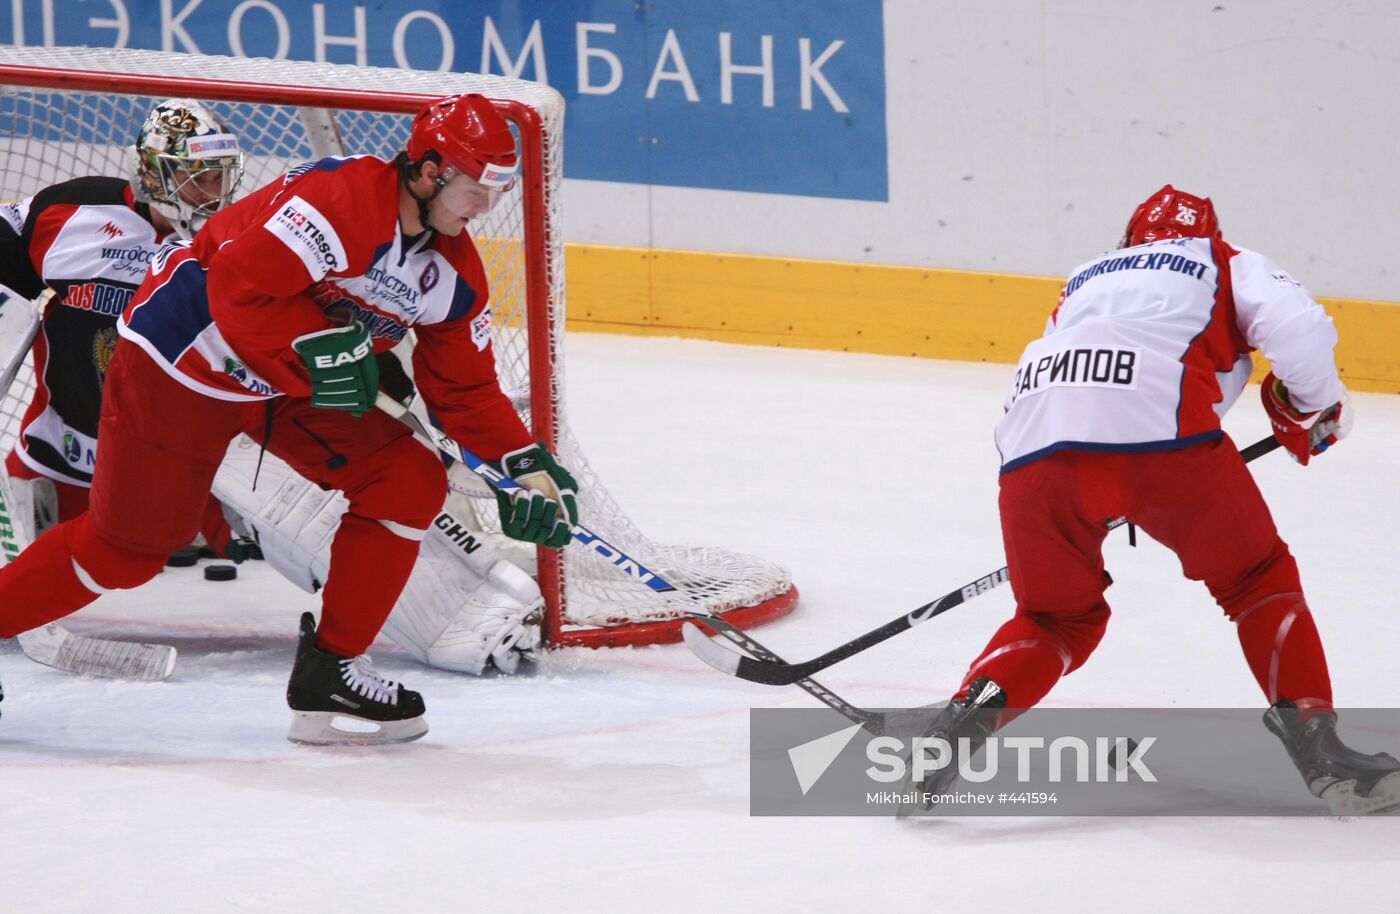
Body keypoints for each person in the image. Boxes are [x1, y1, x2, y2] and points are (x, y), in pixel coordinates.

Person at [0, 93, 579, 745]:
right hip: (182, 358)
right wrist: (315, 344)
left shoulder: (452, 276)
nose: (486, 205)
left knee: (408, 480)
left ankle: (331, 671)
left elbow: (466, 390)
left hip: (284, 382)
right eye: (476, 186)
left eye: (498, 189)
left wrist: (520, 464)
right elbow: (237, 286)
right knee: (125, 555)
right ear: (427, 171)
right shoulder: (338, 199)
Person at [910, 185, 1398, 815]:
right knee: (1257, 579)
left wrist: (1097, 485)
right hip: (1161, 439)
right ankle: (1318, 746)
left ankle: (961, 723)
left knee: (1055, 618)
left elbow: (1068, 388)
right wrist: (1311, 406)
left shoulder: (1085, 278)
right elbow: (1300, 329)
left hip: (1031, 451)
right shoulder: (1222, 260)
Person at [0, 98, 244, 553]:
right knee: (37, 568)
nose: (214, 192)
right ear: (157, 172)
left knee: (215, 546)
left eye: (221, 176)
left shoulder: (235, 241)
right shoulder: (75, 210)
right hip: (59, 451)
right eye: (199, 176)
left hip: (178, 460)